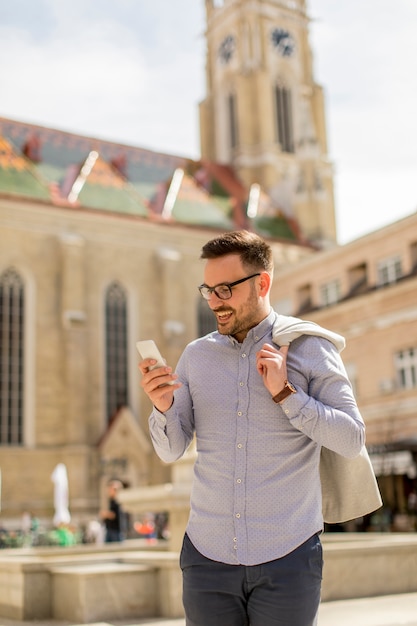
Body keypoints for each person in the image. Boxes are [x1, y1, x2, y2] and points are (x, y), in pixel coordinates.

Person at [139, 230, 366, 626]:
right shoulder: (196, 356)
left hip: (289, 558)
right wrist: (163, 408)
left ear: (262, 283)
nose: (214, 302)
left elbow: (351, 438)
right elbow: (170, 450)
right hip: (206, 559)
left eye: (225, 289)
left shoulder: (311, 348)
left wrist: (287, 395)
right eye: (207, 290)